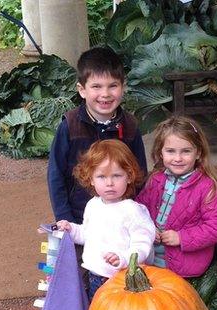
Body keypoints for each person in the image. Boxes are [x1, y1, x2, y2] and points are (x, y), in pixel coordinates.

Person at [47, 47, 147, 226]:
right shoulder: (69, 126)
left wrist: (137, 215)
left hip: (121, 218)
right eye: (96, 86)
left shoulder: (130, 126)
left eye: (113, 86)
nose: (105, 94)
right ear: (82, 89)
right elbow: (56, 175)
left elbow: (140, 174)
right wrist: (64, 217)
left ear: (123, 87)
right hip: (78, 218)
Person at [56, 139, 155, 300]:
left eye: (116, 175)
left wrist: (124, 259)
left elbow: (143, 244)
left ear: (129, 177)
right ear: (91, 179)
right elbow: (87, 235)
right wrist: (71, 230)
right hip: (94, 276)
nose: (109, 183)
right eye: (101, 176)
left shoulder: (134, 211)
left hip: (122, 281)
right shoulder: (93, 205)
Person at [136, 116, 217, 278]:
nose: (178, 158)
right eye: (170, 151)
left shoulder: (208, 187)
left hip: (183, 261)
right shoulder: (156, 179)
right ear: (160, 152)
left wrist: (181, 237)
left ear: (198, 152)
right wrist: (150, 227)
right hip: (150, 251)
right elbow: (140, 209)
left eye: (186, 151)